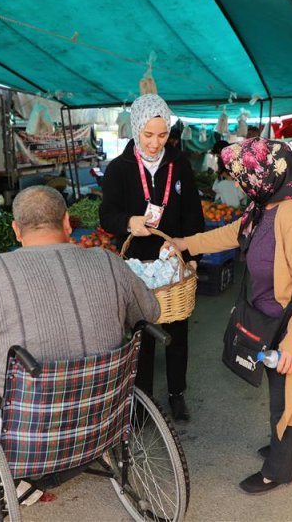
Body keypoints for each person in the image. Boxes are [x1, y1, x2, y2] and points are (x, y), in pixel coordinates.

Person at [166, 138, 292, 494]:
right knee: (286, 387)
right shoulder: (265, 207)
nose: (237, 183)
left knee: (289, 391)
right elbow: (232, 233)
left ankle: (278, 469)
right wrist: (187, 243)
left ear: (265, 174)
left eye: (241, 176)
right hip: (278, 312)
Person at [0, 186, 160, 393]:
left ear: (16, 230)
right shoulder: (110, 262)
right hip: (104, 410)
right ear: (67, 222)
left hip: (26, 422)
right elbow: (149, 313)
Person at [99, 94, 205, 421]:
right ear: (136, 129)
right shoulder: (119, 168)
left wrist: (189, 252)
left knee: (177, 330)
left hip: (171, 261)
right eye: (148, 135)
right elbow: (107, 214)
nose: (155, 142)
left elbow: (193, 213)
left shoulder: (179, 164)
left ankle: (177, 393)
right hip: (136, 263)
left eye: (162, 134)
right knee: (141, 332)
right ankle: (142, 402)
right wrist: (127, 222)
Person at [211, 140, 247, 208]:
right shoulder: (229, 158)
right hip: (236, 194)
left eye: (218, 155)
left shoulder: (233, 159)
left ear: (220, 150)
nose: (218, 157)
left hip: (236, 192)